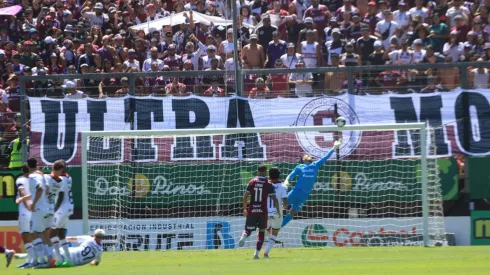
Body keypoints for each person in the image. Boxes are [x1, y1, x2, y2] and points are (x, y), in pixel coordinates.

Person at [281, 139, 343, 227]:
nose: (308, 155)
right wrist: (287, 181)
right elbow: (291, 175)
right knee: (281, 206)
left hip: (304, 195)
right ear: (303, 159)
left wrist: (334, 148)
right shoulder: (300, 166)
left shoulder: (315, 165)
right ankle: (268, 224)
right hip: (296, 192)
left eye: (309, 155)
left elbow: (325, 157)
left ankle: (276, 229)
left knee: (292, 214)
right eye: (306, 155)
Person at [238, 165, 280, 259]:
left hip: (252, 209)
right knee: (261, 232)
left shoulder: (252, 181)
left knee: (248, 229)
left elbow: (245, 196)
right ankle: (256, 254)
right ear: (265, 172)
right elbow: (274, 199)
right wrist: (277, 210)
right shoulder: (268, 183)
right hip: (263, 211)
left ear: (257, 171)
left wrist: (245, 208)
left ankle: (244, 235)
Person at [263, 167, 288, 258]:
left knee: (263, 230)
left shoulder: (265, 185)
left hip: (265, 211)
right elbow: (285, 203)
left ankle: (257, 250)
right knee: (274, 233)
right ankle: (266, 253)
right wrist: (283, 207)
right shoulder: (282, 186)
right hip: (277, 212)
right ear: (279, 175)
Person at [15, 164, 33, 268]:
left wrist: (26, 205)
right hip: (34, 209)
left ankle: (30, 260)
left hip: (25, 210)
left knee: (25, 235)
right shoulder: (35, 179)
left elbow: (21, 192)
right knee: (34, 235)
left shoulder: (20, 179)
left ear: (22, 170)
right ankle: (34, 258)